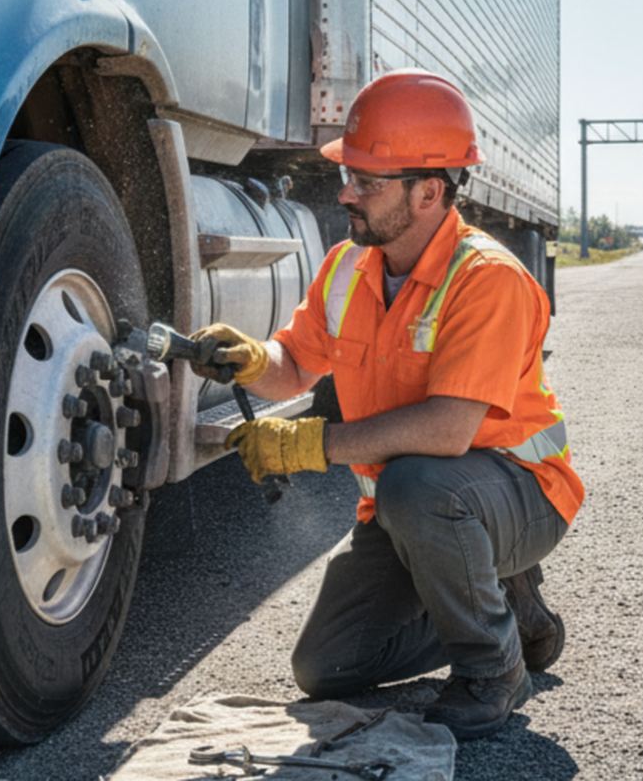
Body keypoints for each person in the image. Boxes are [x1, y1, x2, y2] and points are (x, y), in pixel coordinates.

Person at [190, 69, 585, 740]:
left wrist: (309, 445)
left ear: (429, 191)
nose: (347, 192)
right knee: (328, 667)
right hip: (413, 508)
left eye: (367, 181)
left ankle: (493, 670)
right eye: (350, 176)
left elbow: (449, 429)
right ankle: (504, 608)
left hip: (518, 494)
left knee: (417, 482)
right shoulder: (348, 266)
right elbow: (294, 370)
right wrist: (254, 359)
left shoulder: (488, 280)